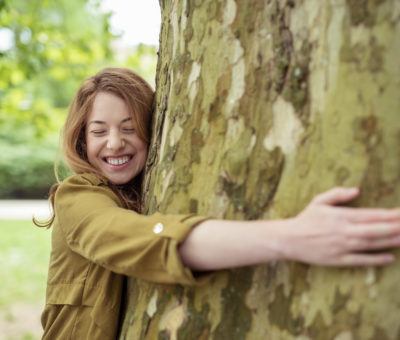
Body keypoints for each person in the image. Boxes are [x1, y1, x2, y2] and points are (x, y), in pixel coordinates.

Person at [36, 67, 400, 339]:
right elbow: (128, 236)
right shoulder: (76, 197)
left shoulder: (153, 189)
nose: (114, 143)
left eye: (130, 128)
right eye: (99, 131)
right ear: (82, 140)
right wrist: (293, 237)